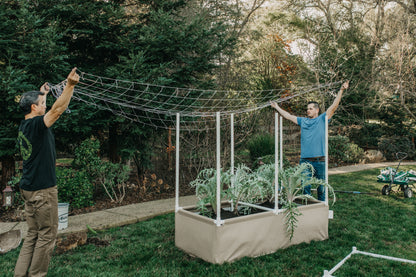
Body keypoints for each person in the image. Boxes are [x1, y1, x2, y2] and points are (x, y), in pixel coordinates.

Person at [14, 68, 79, 277]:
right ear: (34, 107)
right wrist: (69, 86)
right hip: (43, 191)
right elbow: (57, 110)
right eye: (42, 103)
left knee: (33, 234)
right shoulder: (36, 125)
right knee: (47, 235)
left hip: (28, 189)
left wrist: (43, 92)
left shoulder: (25, 125)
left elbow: (49, 109)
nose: (46, 105)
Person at [271, 81, 349, 201]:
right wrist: (277, 107)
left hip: (320, 160)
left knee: (321, 189)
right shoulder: (303, 121)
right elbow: (287, 115)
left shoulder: (323, 119)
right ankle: (307, 211)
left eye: (311, 109)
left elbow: (333, 106)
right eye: (307, 109)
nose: (308, 110)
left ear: (317, 110)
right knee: (305, 188)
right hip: (305, 161)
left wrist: (341, 90)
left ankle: (322, 211)